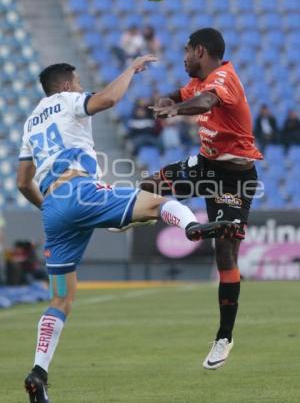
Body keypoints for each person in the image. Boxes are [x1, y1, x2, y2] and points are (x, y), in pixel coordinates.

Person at [17, 59, 237, 402]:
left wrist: (46, 206)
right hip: (81, 192)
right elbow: (107, 100)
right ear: (63, 86)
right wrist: (131, 70)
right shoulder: (67, 101)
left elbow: (21, 182)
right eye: (76, 82)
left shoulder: (30, 124)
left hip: (54, 210)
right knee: (155, 202)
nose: (79, 86)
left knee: (60, 298)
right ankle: (193, 227)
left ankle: (38, 372)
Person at [141, 28, 263, 370]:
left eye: (186, 51)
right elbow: (182, 92)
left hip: (235, 179)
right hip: (204, 167)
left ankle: (224, 336)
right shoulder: (198, 80)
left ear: (200, 50)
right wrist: (167, 99)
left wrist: (176, 110)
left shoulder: (224, 78)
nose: (183, 57)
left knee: (225, 253)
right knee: (149, 186)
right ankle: (162, 222)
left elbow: (206, 101)